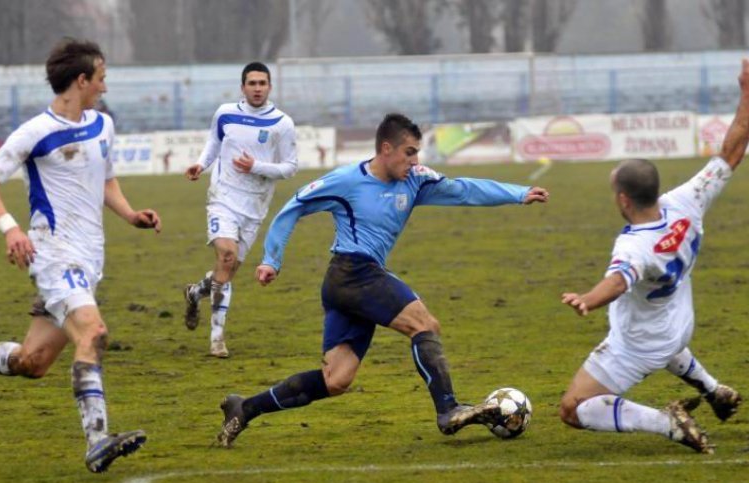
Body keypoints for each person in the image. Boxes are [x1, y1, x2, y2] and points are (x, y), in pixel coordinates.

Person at [215, 113, 549, 448]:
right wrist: (272, 259)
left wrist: (518, 193)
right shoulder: (346, 180)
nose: (415, 161)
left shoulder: (415, 180)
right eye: (409, 152)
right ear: (386, 149)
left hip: (350, 283)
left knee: (336, 380)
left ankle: (244, 408)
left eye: (417, 153)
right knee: (425, 325)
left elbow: (462, 190)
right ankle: (448, 410)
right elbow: (294, 206)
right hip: (353, 272)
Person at [0, 38, 162, 473]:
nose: (105, 87)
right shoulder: (35, 132)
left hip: (89, 259)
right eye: (101, 78)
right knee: (94, 333)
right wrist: (10, 230)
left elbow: (106, 181)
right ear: (81, 80)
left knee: (34, 362)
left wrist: (130, 215)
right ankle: (97, 440)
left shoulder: (103, 125)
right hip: (52, 256)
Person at [559, 61, 749, 454]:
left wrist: (588, 299)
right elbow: (733, 149)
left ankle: (668, 423)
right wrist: (746, 96)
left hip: (641, 343)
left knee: (573, 409)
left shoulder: (634, 246)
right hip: (679, 323)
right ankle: (715, 391)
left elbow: (617, 281)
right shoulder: (687, 201)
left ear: (624, 199)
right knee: (666, 340)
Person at [183, 61, 298, 358]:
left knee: (228, 271)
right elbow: (214, 142)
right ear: (243, 87)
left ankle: (195, 293)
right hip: (223, 196)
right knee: (227, 255)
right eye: (252, 83)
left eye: (262, 83)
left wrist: (256, 166)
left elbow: (289, 167)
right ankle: (217, 340)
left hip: (255, 205)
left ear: (270, 87)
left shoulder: (282, 123)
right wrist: (201, 164)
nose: (257, 88)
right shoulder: (225, 113)